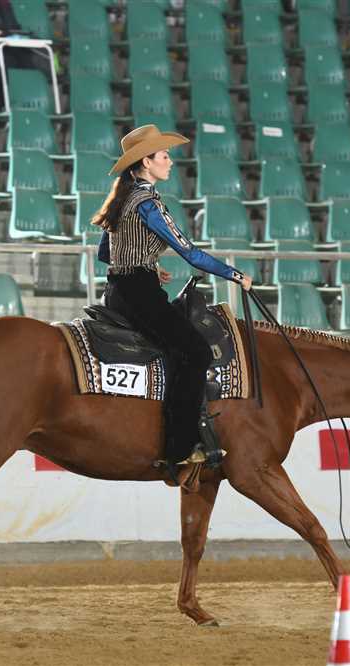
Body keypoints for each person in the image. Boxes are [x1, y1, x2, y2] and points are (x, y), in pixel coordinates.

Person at [92, 125, 253, 485]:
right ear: (146, 162)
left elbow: (106, 253)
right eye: (164, 156)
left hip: (118, 290)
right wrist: (235, 275)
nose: (170, 161)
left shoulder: (123, 198)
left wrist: (147, 264)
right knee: (196, 352)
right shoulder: (148, 203)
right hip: (139, 295)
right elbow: (191, 254)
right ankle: (180, 450)